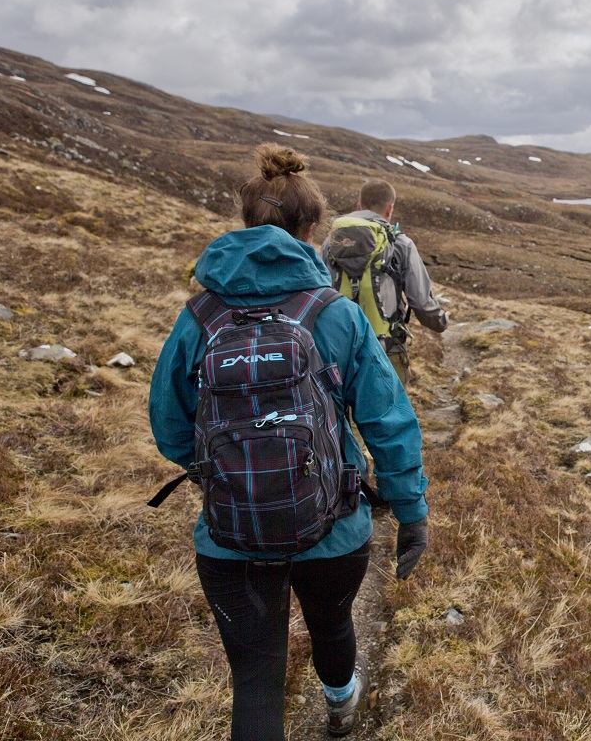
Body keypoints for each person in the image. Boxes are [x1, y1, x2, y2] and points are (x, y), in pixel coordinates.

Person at [148, 144, 429, 740]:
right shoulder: (335, 314)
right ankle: (340, 706)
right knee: (331, 625)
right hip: (334, 530)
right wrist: (411, 512)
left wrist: (232, 468)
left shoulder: (199, 315)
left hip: (231, 537)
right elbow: (389, 423)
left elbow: (170, 427)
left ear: (247, 221)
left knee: (255, 677)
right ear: (311, 229)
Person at [321, 179, 448, 385]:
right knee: (389, 414)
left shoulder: (331, 242)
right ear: (390, 209)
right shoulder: (399, 243)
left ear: (358, 206)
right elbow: (421, 303)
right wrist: (441, 322)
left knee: (339, 415)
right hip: (386, 349)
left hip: (337, 350)